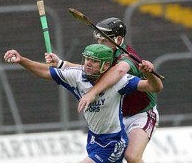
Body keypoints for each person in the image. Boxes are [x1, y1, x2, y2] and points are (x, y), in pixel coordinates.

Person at [4, 43, 163, 163]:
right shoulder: (76, 77)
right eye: (86, 59)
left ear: (106, 66)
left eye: (93, 61)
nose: (87, 63)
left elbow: (154, 87)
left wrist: (149, 74)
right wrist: (21, 60)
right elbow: (46, 71)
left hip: (113, 142)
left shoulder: (119, 82)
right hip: (94, 141)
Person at [47, 17, 162, 163]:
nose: (100, 44)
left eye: (105, 41)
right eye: (98, 40)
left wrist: (92, 93)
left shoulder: (127, 57)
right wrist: (62, 64)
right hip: (117, 119)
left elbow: (119, 71)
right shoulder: (103, 54)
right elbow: (87, 69)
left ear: (119, 39)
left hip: (141, 114)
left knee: (132, 157)